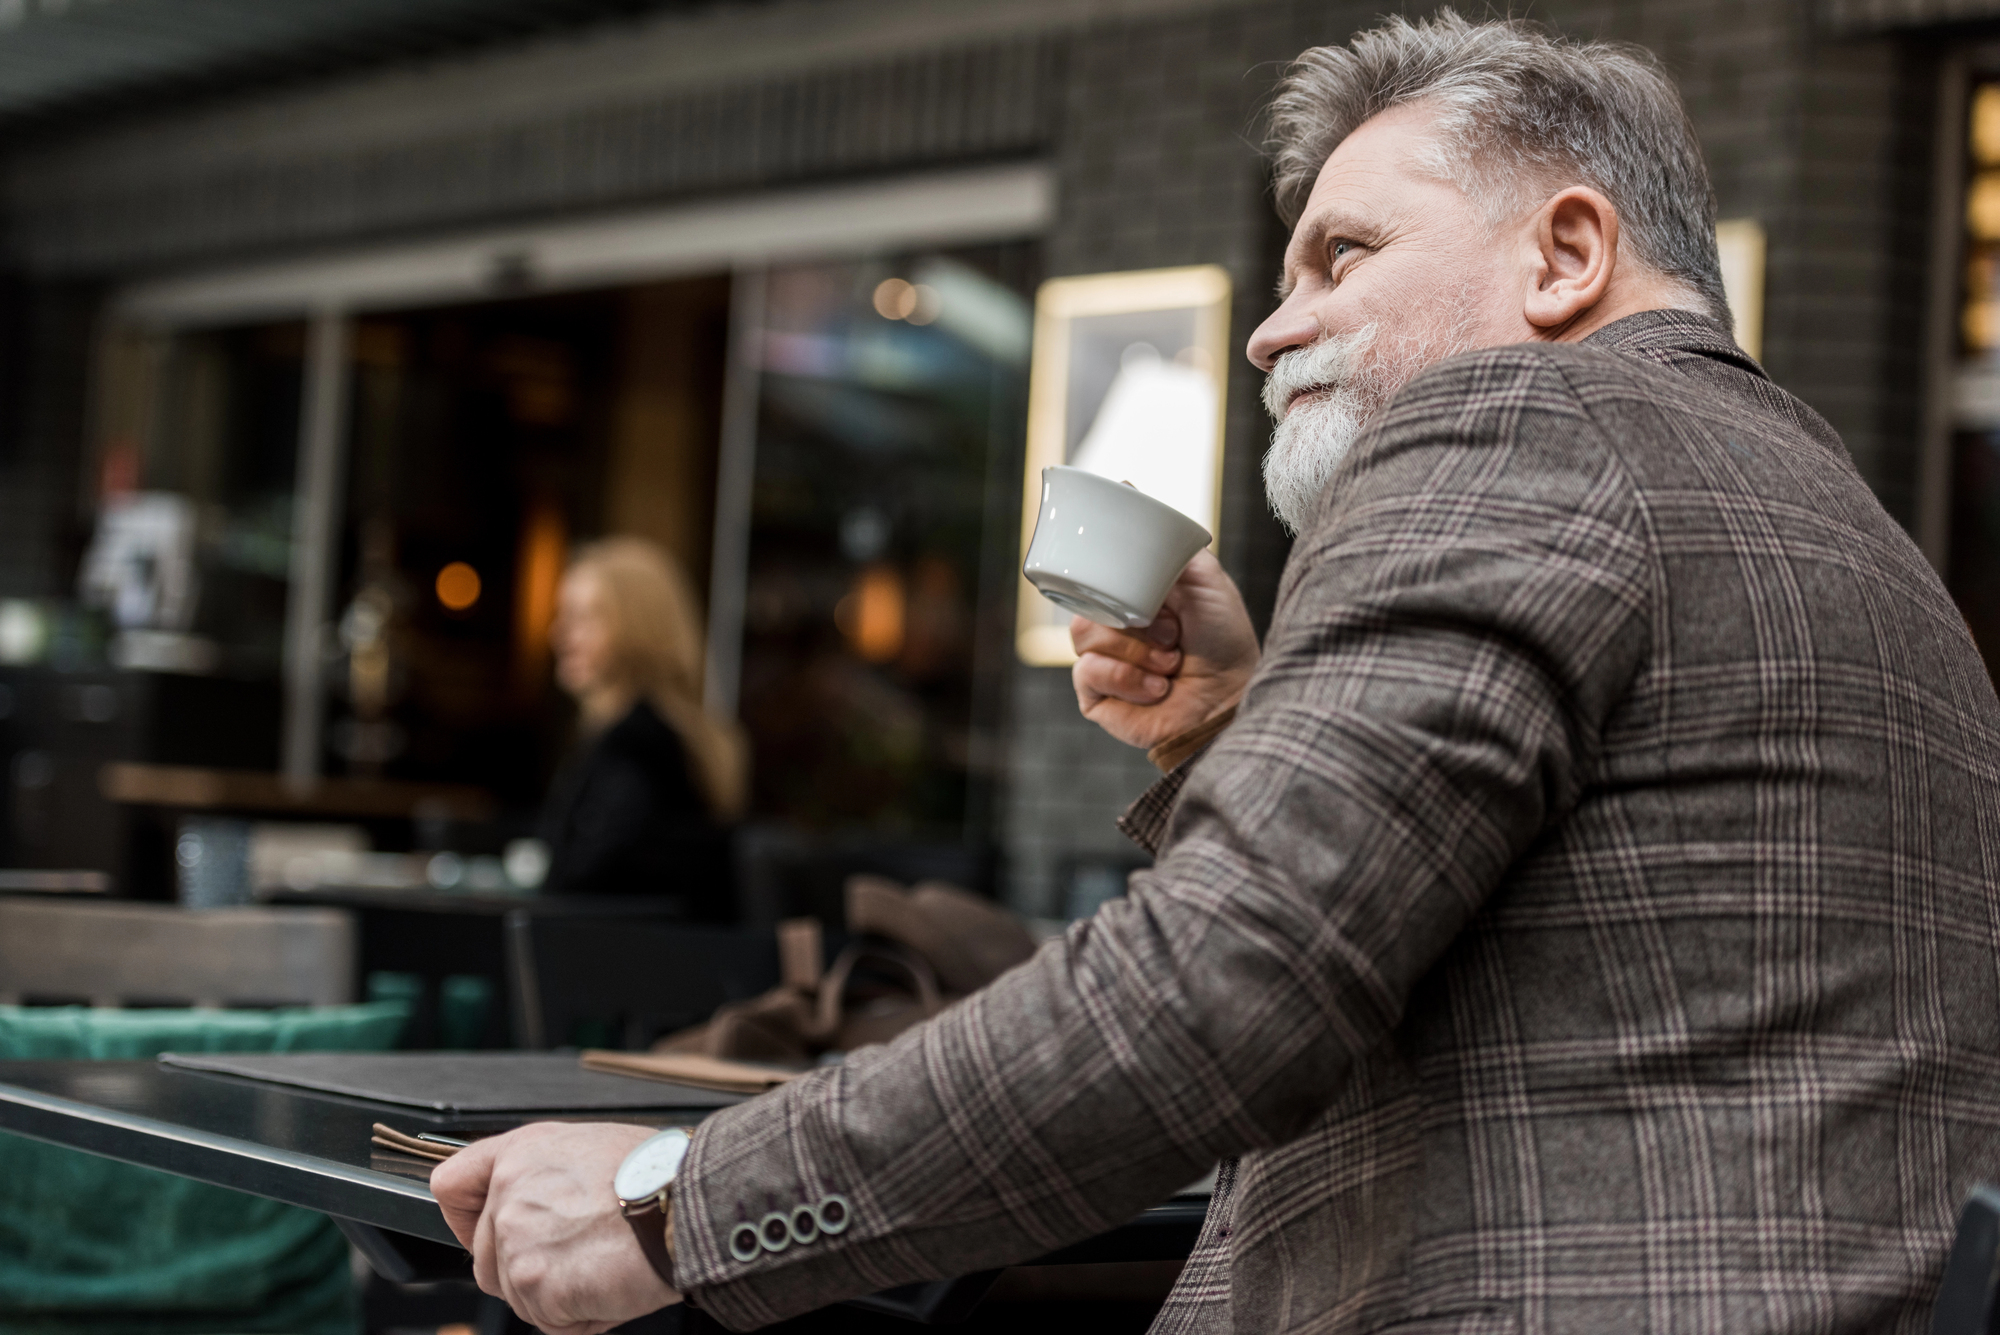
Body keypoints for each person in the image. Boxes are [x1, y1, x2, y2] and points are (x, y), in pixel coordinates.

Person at [433, 14, 2000, 1333]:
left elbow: (1219, 991)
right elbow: (1574, 951)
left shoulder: (1522, 418)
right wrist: (1228, 734)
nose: (1272, 327)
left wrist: (670, 1203)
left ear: (1567, 253)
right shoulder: (1854, 531)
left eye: (1341, 255)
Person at [538, 536, 746, 916]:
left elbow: (581, 884)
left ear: (639, 630)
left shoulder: (636, 750)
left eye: (583, 618)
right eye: (564, 616)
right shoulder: (670, 739)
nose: (561, 636)